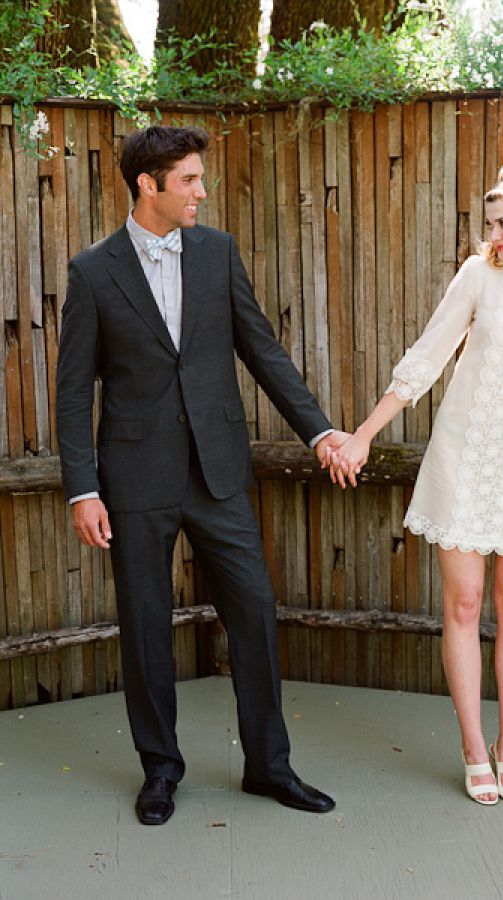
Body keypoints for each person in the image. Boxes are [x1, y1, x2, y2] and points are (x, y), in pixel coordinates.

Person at [56, 125, 350, 825]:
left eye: (199, 177)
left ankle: (269, 769)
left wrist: (320, 429)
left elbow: (261, 349)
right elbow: (72, 392)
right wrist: (82, 486)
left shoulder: (217, 253)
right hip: (133, 478)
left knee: (252, 611)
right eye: (187, 179)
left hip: (217, 472)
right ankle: (160, 771)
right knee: (147, 627)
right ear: (147, 185)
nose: (201, 191)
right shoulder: (93, 271)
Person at [327, 160, 503, 805]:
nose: (493, 234)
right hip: (461, 459)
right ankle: (474, 749)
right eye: (490, 224)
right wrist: (364, 434)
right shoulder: (478, 275)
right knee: (465, 605)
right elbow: (426, 358)